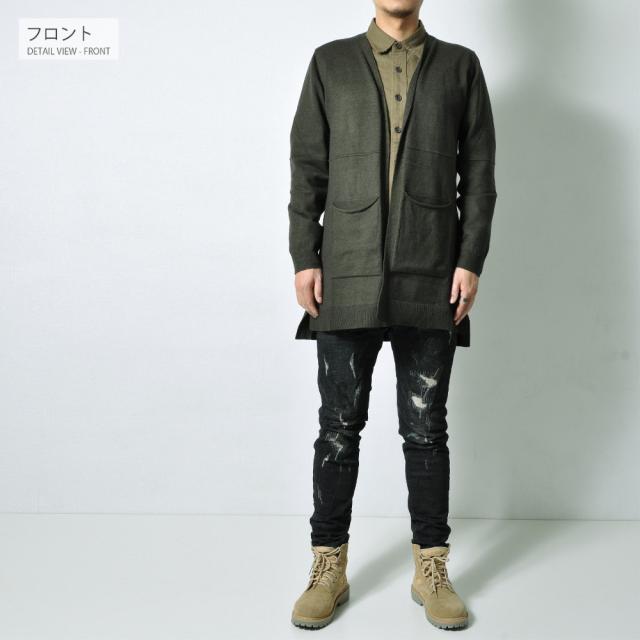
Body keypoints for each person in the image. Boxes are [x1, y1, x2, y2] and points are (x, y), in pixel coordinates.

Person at [287, 0, 497, 630]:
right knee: (337, 426)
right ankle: (328, 564)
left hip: (431, 270)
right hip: (345, 269)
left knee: (427, 429)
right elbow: (307, 165)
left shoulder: (460, 66)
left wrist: (470, 259)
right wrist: (304, 255)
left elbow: (479, 173)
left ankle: (431, 567)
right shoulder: (330, 63)